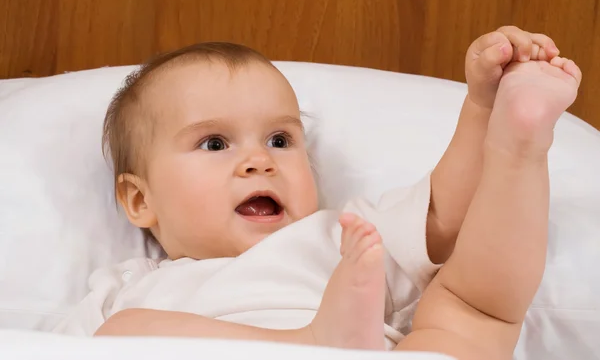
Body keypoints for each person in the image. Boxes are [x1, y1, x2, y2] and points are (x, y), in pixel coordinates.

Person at [53, 26, 581, 360]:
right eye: (214, 143)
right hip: (308, 344)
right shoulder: (129, 288)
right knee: (122, 332)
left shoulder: (340, 237)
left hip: (370, 351)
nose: (259, 160)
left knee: (469, 309)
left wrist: (479, 110)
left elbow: (442, 215)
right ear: (140, 201)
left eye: (280, 139)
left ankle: (517, 145)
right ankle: (309, 343)